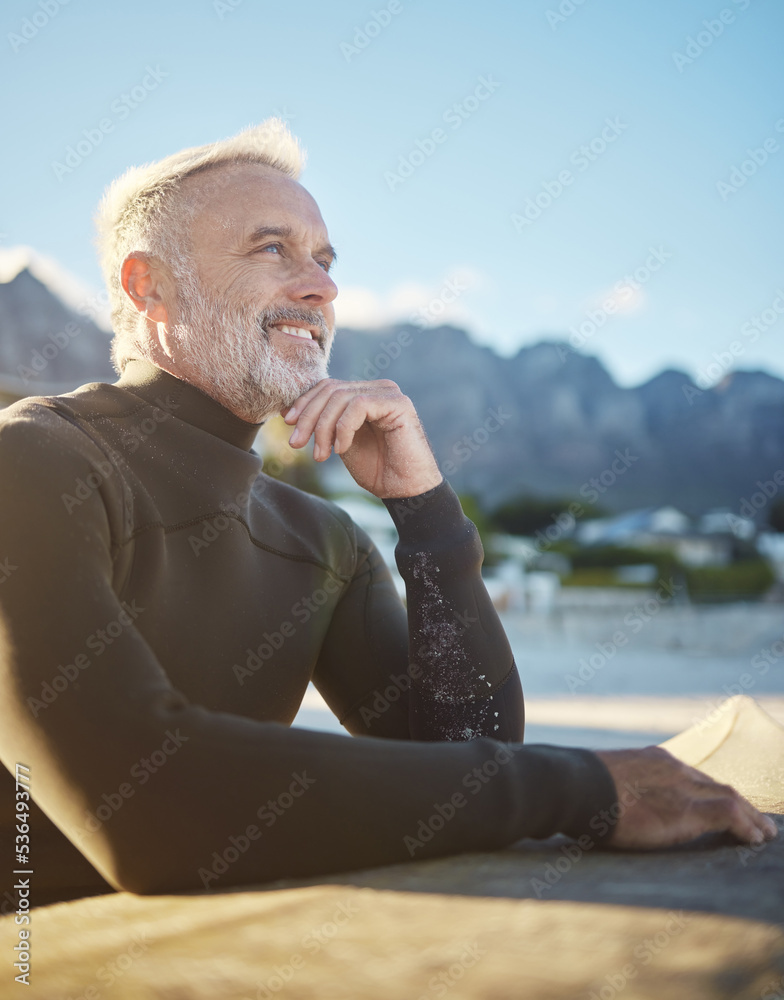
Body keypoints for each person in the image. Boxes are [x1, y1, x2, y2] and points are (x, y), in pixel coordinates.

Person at [0, 120, 775, 902]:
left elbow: (467, 751)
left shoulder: (320, 537)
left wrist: (427, 512)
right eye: (273, 249)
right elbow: (144, 805)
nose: (323, 288)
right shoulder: (31, 462)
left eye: (325, 260)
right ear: (148, 286)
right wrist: (581, 785)